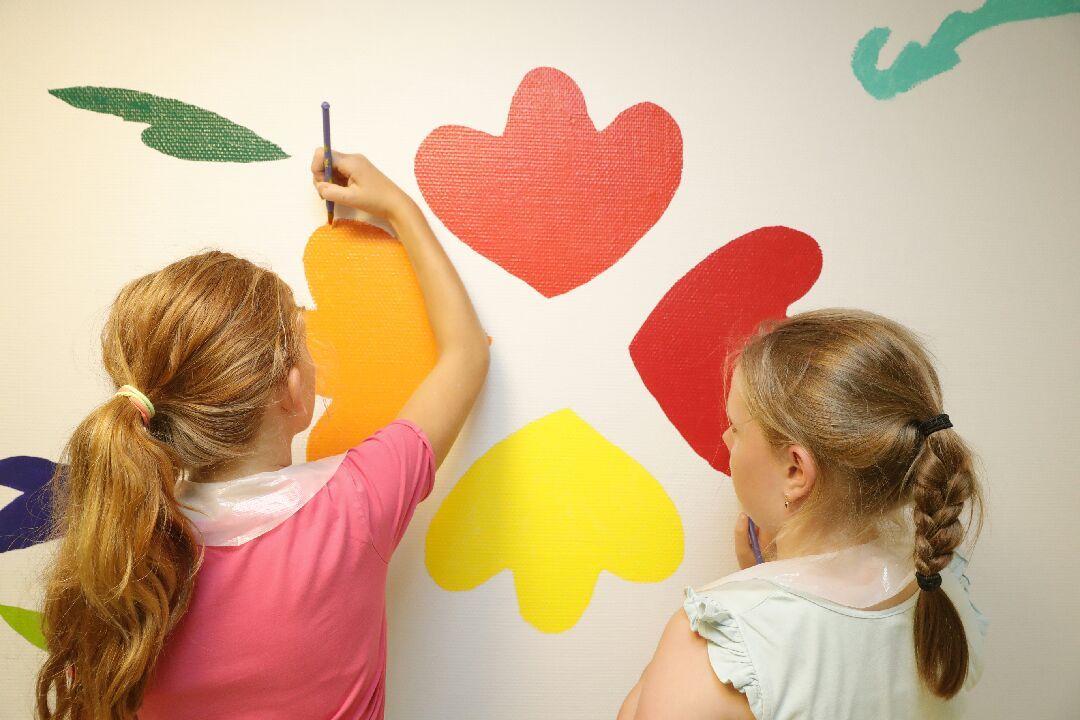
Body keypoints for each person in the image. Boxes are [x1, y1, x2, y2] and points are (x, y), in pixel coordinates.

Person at [35, 150, 489, 719]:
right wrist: (397, 206)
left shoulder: (125, 554)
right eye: (305, 340)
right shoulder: (356, 502)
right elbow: (466, 354)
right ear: (292, 392)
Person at [618, 308, 988, 720]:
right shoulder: (944, 591)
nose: (725, 438)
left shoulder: (721, 645)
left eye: (736, 427)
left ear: (795, 470)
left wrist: (741, 607)